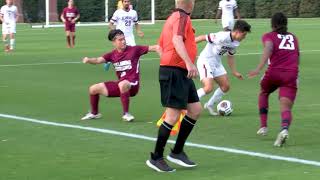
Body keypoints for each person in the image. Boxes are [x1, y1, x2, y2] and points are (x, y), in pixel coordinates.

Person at [146, 0, 201, 173]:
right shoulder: (181, 16)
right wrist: (187, 63)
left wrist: (174, 64)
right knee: (172, 116)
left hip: (178, 71)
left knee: (195, 109)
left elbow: (162, 46)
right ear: (189, 3)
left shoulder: (173, 17)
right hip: (176, 71)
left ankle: (177, 152)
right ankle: (156, 157)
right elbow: (177, 40)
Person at [81, 29, 160, 122]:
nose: (123, 41)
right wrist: (88, 60)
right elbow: (98, 60)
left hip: (132, 85)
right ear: (114, 42)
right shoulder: (111, 55)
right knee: (93, 89)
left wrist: (162, 51)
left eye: (124, 39)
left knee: (122, 84)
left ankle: (126, 114)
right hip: (121, 85)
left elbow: (154, 47)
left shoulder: (135, 49)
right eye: (120, 40)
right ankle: (95, 113)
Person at [248, 12, 300, 147]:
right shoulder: (293, 38)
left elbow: (269, 48)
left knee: (264, 92)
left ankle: (263, 126)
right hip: (291, 75)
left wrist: (258, 68)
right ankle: (284, 129)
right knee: (286, 106)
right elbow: (297, 56)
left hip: (274, 73)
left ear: (273, 24)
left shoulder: (269, 36)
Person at [196, 20, 251, 116]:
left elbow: (230, 56)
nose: (244, 37)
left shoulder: (235, 43)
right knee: (208, 87)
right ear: (237, 32)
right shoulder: (221, 36)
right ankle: (187, 103)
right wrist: (186, 46)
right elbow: (202, 37)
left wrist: (234, 72)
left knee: (225, 87)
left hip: (216, 63)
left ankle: (209, 105)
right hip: (205, 61)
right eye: (244, 35)